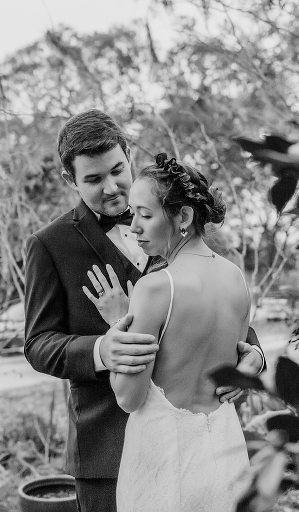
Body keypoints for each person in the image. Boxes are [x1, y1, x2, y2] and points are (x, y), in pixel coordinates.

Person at [23, 110, 265, 512]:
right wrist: (104, 349)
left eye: (118, 169)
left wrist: (252, 355)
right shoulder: (50, 245)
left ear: (129, 155)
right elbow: (37, 343)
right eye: (94, 179)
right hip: (106, 452)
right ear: (71, 180)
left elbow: (211, 305)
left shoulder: (172, 222)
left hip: (191, 442)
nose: (112, 187)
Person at [110, 153, 250, 512]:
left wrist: (117, 325)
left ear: (183, 216)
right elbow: (241, 351)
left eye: (145, 214)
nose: (134, 227)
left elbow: (129, 397)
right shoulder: (236, 278)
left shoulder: (155, 288)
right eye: (132, 214)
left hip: (162, 464)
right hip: (225, 456)